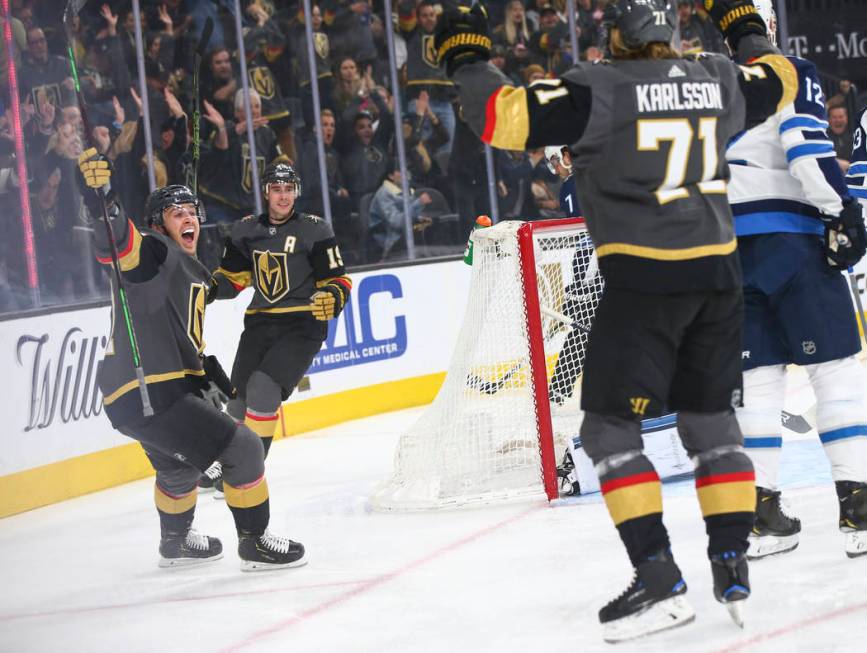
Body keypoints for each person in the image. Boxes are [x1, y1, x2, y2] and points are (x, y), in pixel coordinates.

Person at [435, 0, 797, 641]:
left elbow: (500, 115)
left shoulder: (601, 86)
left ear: (618, 41)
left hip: (644, 279)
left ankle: (659, 576)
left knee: (608, 432)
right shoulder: (714, 76)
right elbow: (781, 77)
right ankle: (731, 561)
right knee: (713, 423)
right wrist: (741, 23)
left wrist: (464, 52)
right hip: (718, 277)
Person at [76, 151, 307, 571]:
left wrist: (201, 375)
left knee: (177, 471)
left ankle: (175, 542)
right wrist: (104, 200)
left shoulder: (187, 265)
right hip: (153, 392)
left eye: (192, 212)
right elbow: (122, 247)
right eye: (175, 212)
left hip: (134, 397)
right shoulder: (157, 250)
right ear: (157, 224)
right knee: (244, 447)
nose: (189, 219)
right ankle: (254, 542)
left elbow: (179, 333)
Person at [727, 0, 867, 561]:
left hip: (732, 251)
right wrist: (843, 212)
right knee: (833, 371)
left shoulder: (709, 87)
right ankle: (858, 510)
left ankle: (761, 517)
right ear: (770, 28)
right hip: (793, 242)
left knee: (757, 382)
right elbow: (806, 149)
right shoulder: (788, 74)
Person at [208, 162, 351, 482]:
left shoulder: (315, 230)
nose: (283, 196)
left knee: (263, 388)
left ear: (296, 192)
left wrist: (332, 296)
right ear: (266, 192)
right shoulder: (245, 231)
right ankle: (229, 464)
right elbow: (233, 280)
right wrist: (208, 287)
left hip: (303, 324)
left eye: (288, 189)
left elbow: (338, 280)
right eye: (277, 189)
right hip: (259, 324)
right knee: (238, 401)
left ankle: (247, 469)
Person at [367, 161, 432, 262]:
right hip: (391, 245)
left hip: (407, 238)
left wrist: (419, 219)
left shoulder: (407, 191)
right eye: (400, 171)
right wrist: (417, 204)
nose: (405, 173)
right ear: (391, 176)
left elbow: (408, 214)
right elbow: (397, 222)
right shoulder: (383, 194)